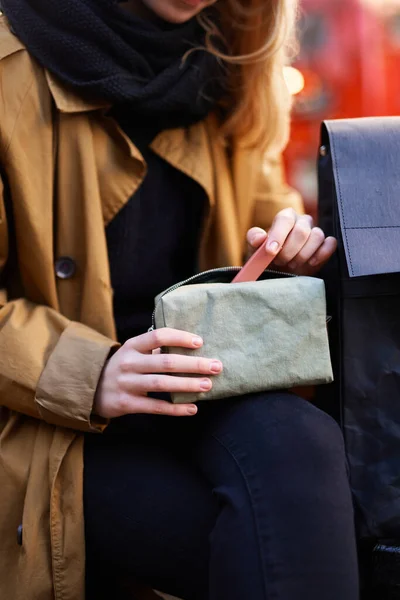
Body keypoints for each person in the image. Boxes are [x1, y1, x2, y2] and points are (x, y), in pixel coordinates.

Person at [0, 1, 358, 599]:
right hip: (49, 414)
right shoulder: (11, 61)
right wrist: (90, 372)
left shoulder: (236, 55)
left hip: (204, 379)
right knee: (259, 536)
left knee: (304, 451)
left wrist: (286, 257)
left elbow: (265, 214)